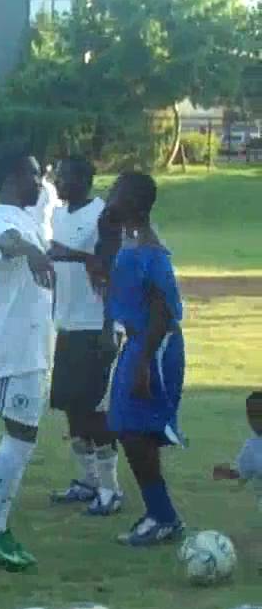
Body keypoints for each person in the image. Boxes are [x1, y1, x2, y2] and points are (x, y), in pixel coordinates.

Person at [0, 146, 54, 572]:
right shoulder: (0, 218)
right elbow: (1, 242)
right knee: (20, 436)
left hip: (32, 346)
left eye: (39, 175)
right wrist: (29, 251)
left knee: (23, 436)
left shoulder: (26, 215)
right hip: (17, 348)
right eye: (30, 175)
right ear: (7, 180)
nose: (37, 182)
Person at [105, 172, 187, 547]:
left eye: (117, 193)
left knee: (134, 429)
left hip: (152, 347)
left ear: (135, 204)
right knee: (129, 427)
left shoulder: (149, 249)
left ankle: (163, 516)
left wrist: (142, 363)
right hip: (137, 343)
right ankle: (159, 513)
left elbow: (161, 311)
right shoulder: (130, 239)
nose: (109, 196)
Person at [46, 156, 123, 516]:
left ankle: (111, 488)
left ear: (83, 179)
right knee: (72, 408)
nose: (57, 182)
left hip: (96, 325)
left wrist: (110, 327)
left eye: (63, 176)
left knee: (96, 410)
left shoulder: (103, 215)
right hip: (67, 324)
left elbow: (111, 268)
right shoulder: (59, 215)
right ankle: (88, 480)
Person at [212, 392, 262, 512]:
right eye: (252, 415)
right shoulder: (251, 447)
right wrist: (225, 473)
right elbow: (242, 472)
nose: (256, 420)